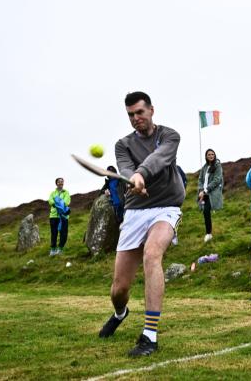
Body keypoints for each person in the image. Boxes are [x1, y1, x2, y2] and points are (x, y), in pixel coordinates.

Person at [98, 91, 185, 357]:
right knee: (119, 289)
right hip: (135, 211)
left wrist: (141, 174)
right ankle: (120, 312)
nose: (136, 119)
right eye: (130, 115)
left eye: (140, 112)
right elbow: (124, 168)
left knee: (152, 254)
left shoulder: (169, 135)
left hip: (167, 206)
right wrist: (132, 180)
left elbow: (159, 158)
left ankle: (149, 336)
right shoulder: (122, 144)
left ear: (151, 110)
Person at [197, 149, 224, 243]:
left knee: (206, 211)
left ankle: (208, 234)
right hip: (203, 192)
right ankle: (208, 233)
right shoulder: (204, 167)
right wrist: (201, 190)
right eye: (209, 154)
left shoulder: (218, 166)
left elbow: (217, 180)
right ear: (206, 156)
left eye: (213, 154)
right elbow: (200, 179)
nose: (211, 156)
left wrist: (205, 190)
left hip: (210, 193)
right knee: (205, 212)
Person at [47, 177, 71, 256]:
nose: (61, 183)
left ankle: (60, 249)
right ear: (56, 183)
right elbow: (50, 201)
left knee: (63, 233)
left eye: (62, 181)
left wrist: (57, 202)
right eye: (59, 182)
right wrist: (57, 203)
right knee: (54, 233)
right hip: (53, 216)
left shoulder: (66, 192)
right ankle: (53, 249)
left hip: (64, 216)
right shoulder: (53, 193)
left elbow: (66, 202)